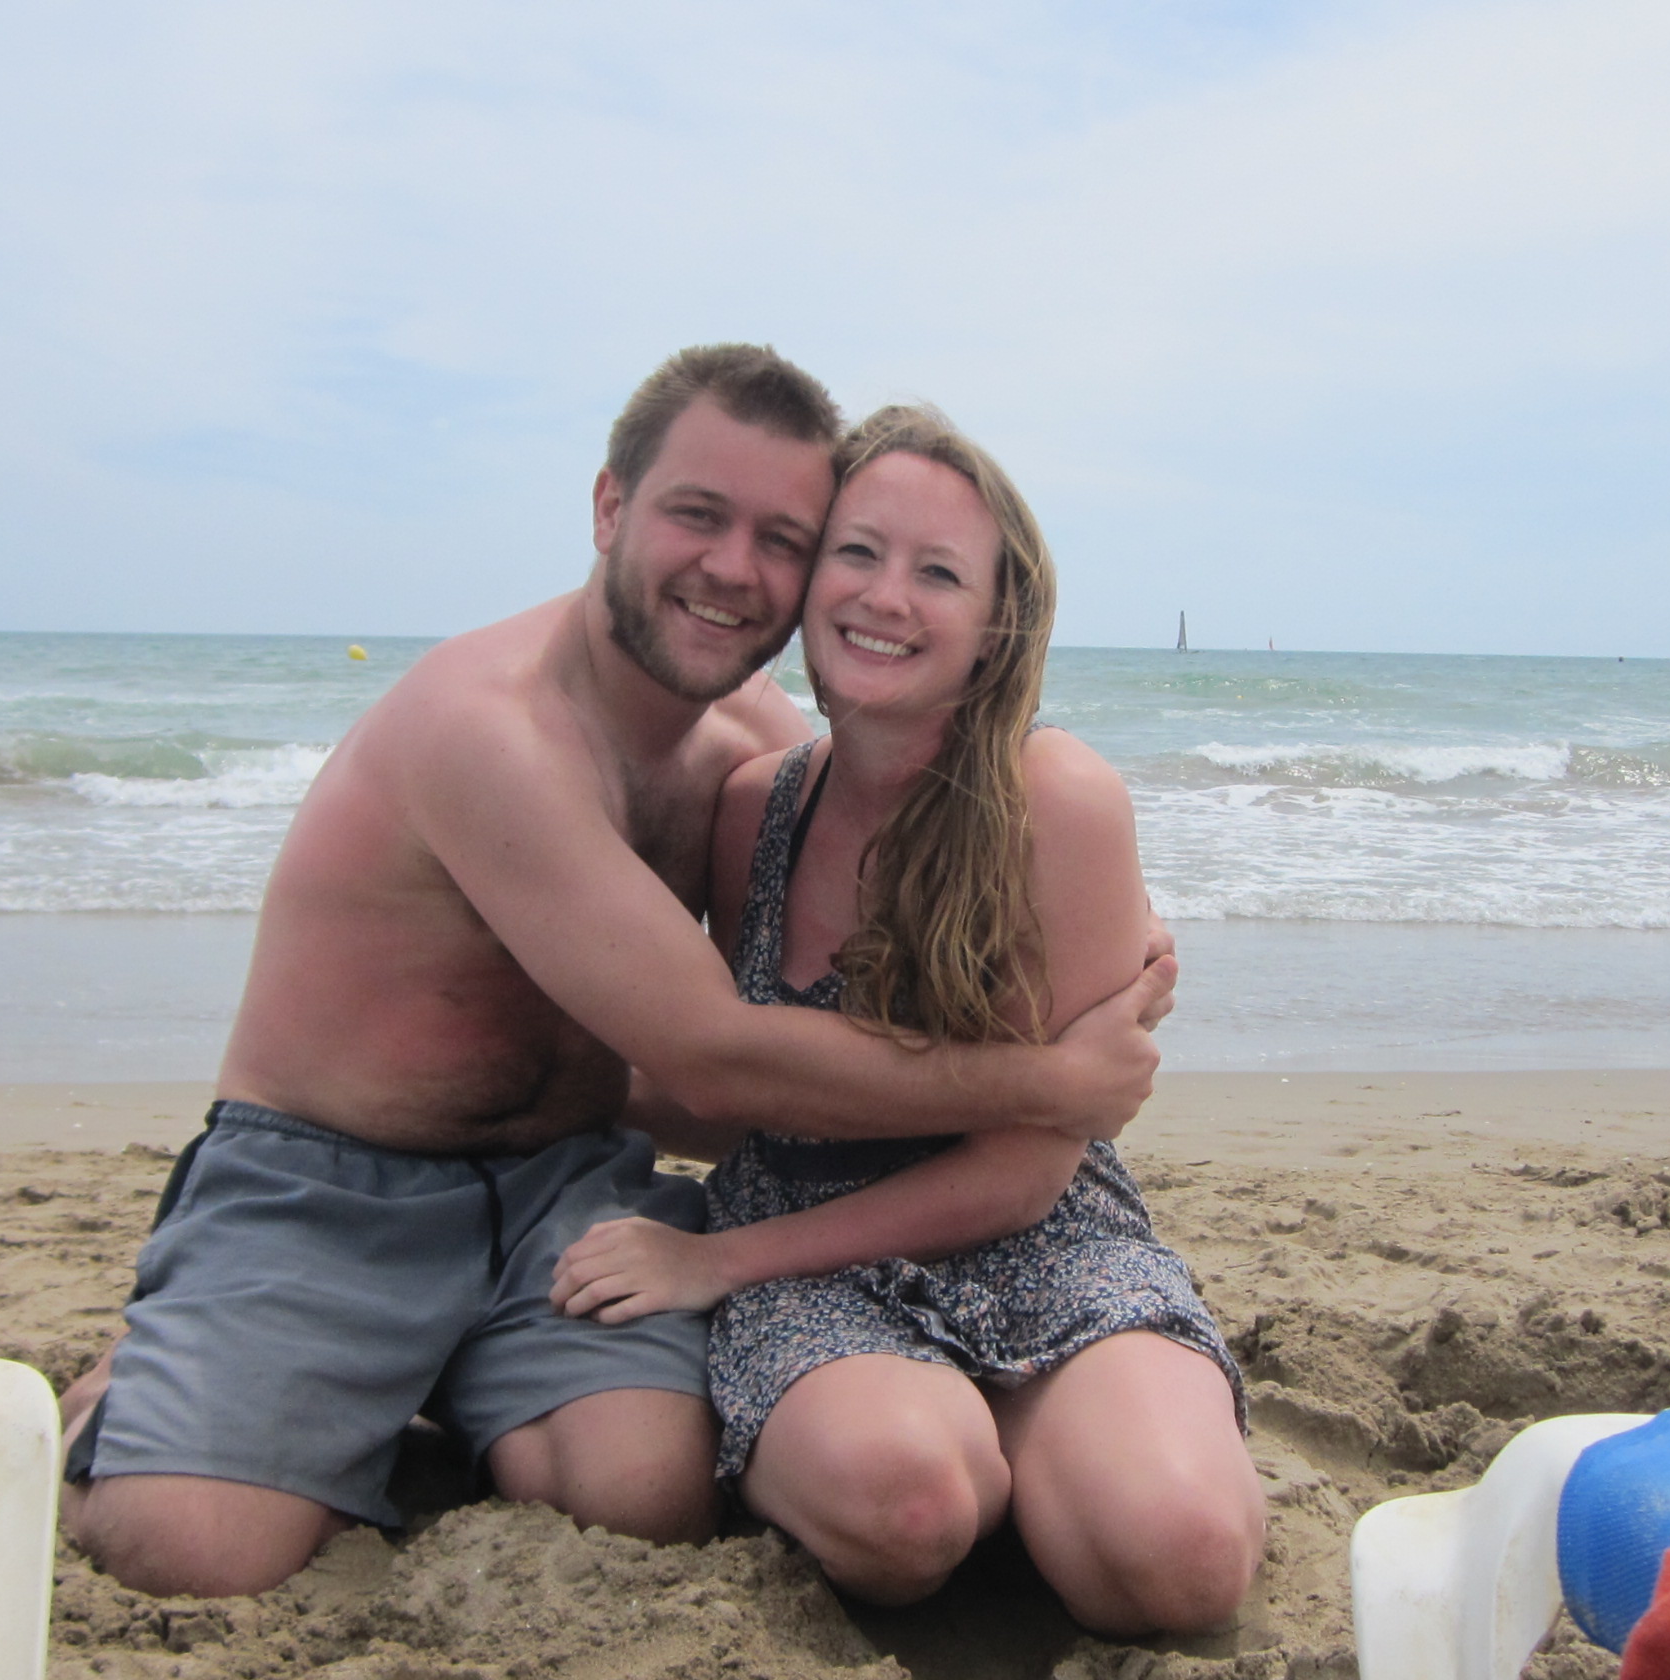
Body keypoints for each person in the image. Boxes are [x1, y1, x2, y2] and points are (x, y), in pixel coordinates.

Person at [57, 347, 1178, 1600]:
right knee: (189, 1553)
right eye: (698, 515)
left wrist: (1107, 920)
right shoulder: (488, 727)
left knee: (644, 1497)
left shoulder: (750, 747)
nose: (734, 568)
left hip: (563, 1182)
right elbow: (714, 1052)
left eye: (782, 539)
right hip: (331, 1187)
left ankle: (420, 1400)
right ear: (610, 508)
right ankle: (135, 1393)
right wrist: (1051, 1083)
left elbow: (889, 831)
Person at [549, 406, 1264, 1637]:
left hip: (1038, 1234)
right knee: (908, 1505)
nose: (887, 596)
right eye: (858, 552)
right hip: (802, 1239)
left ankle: (1052, 1456)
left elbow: (1027, 1171)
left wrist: (714, 1264)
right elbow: (751, 1090)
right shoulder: (752, 811)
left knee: (1179, 1559)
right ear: (808, 580)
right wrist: (549, 1085)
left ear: (997, 623)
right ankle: (970, 1453)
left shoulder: (1057, 802)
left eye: (938, 572)